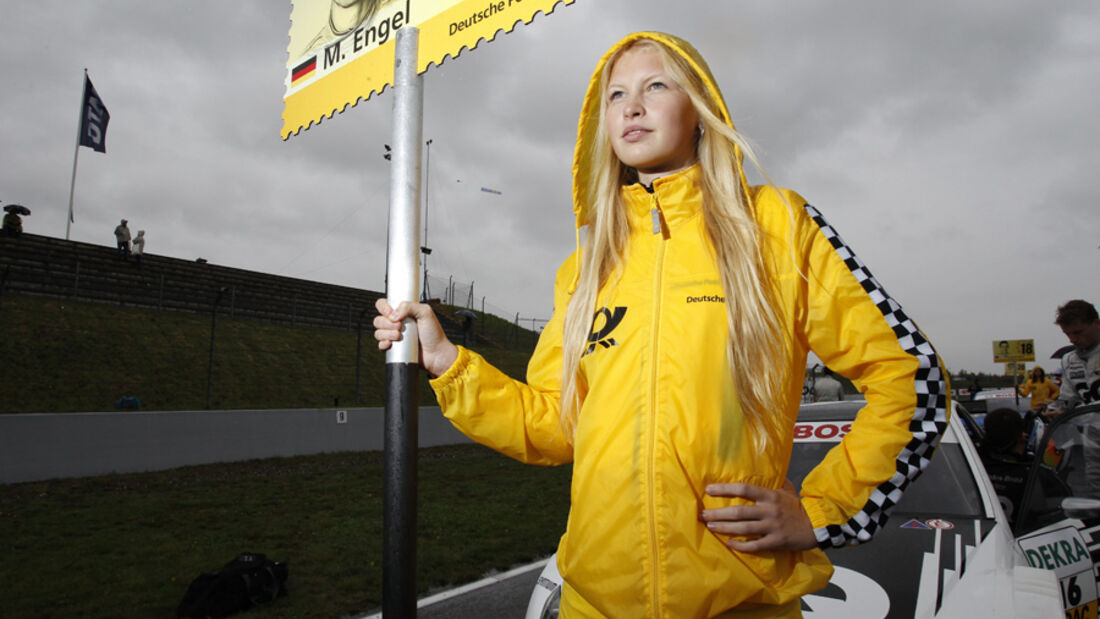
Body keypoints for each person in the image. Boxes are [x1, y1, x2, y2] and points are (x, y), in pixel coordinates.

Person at [374, 32, 948, 617]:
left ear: (700, 110)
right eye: (616, 94)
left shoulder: (776, 226)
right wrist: (449, 363)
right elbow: (556, 426)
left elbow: (912, 375)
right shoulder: (586, 268)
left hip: (739, 604)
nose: (632, 105)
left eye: (655, 85)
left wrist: (824, 511)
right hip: (591, 606)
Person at [1051, 300, 1100, 497]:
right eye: (1067, 334)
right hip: (1093, 437)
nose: (1072, 339)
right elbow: (1068, 399)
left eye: (1077, 332)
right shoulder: (1069, 360)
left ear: (1096, 323)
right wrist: (1057, 410)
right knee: (1095, 484)